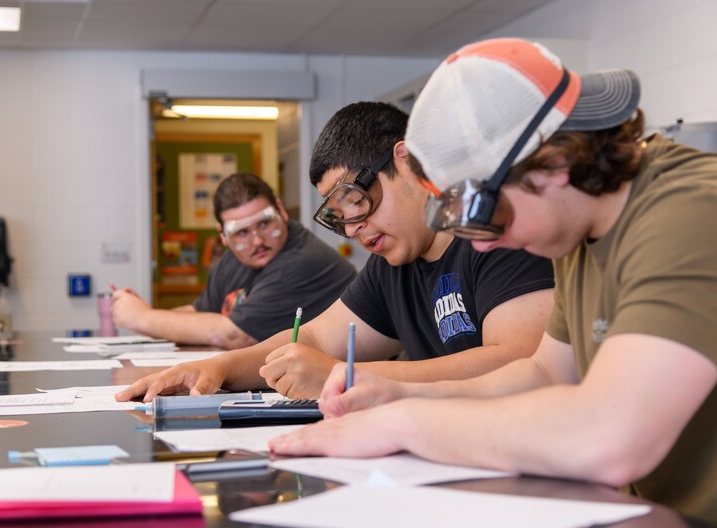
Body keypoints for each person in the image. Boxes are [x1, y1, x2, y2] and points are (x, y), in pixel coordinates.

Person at [269, 39, 717, 525]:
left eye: (484, 212)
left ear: (554, 163)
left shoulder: (690, 213)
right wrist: (395, 395)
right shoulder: (576, 231)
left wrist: (406, 424)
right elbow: (544, 373)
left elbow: (609, 437)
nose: (480, 245)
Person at [115, 102, 554, 401]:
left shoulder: (495, 235)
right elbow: (312, 338)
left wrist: (343, 376)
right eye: (339, 216)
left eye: (357, 201)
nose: (356, 228)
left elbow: (520, 362)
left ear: (404, 162)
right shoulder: (391, 266)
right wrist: (219, 369)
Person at [111, 172, 356, 349]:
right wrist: (146, 315)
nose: (257, 241)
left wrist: (142, 318)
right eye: (241, 233)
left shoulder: (302, 260)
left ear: (281, 211)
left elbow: (235, 335)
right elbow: (200, 313)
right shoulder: (232, 261)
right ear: (223, 236)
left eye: (264, 223)